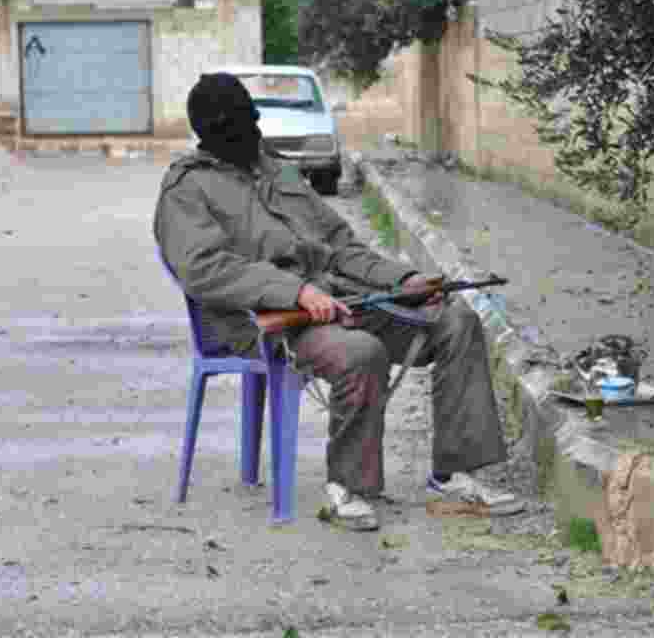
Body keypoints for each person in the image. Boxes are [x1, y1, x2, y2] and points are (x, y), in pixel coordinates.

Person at [153, 73, 524, 531]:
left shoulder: (276, 170)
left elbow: (340, 245)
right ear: (207, 134)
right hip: (265, 323)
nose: (247, 131)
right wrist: (296, 292)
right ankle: (346, 488)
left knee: (455, 322)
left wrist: (405, 279)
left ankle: (457, 471)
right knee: (359, 352)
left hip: (338, 299)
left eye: (249, 119)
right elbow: (205, 269)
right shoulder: (187, 188)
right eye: (233, 125)